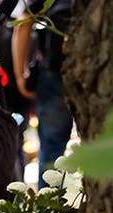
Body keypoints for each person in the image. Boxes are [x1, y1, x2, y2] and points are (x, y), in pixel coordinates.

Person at [12, 0, 73, 188]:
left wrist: (21, 76)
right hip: (97, 73)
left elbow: (23, 23)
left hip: (54, 75)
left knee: (52, 150)